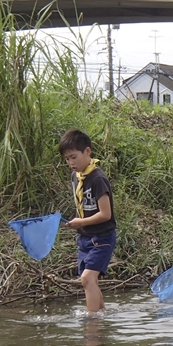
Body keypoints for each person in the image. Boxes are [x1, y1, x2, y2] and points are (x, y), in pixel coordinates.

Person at [59, 129, 116, 312]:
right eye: (67, 159)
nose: (71, 162)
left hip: (102, 238)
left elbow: (106, 214)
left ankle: (92, 323)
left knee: (87, 279)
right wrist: (78, 224)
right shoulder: (76, 177)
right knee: (90, 281)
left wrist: (80, 222)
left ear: (88, 152)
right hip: (84, 239)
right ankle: (101, 315)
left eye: (74, 157)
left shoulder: (97, 179)